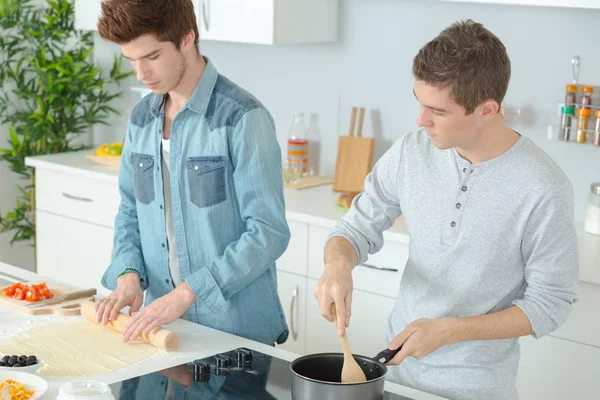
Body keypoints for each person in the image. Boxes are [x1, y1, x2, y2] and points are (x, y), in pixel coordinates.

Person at [314, 19, 579, 400]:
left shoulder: (542, 187)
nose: (421, 120)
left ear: (487, 110)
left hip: (476, 389)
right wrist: (337, 264)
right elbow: (354, 229)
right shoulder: (411, 151)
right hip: (397, 376)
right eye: (419, 103)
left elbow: (550, 303)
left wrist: (451, 330)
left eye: (437, 111)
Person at [94, 0, 291, 349]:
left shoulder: (242, 117)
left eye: (152, 56)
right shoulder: (142, 117)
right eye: (132, 61)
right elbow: (130, 210)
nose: (141, 74)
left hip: (234, 333)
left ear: (187, 38)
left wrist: (187, 293)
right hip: (162, 330)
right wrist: (128, 274)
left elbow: (268, 233)